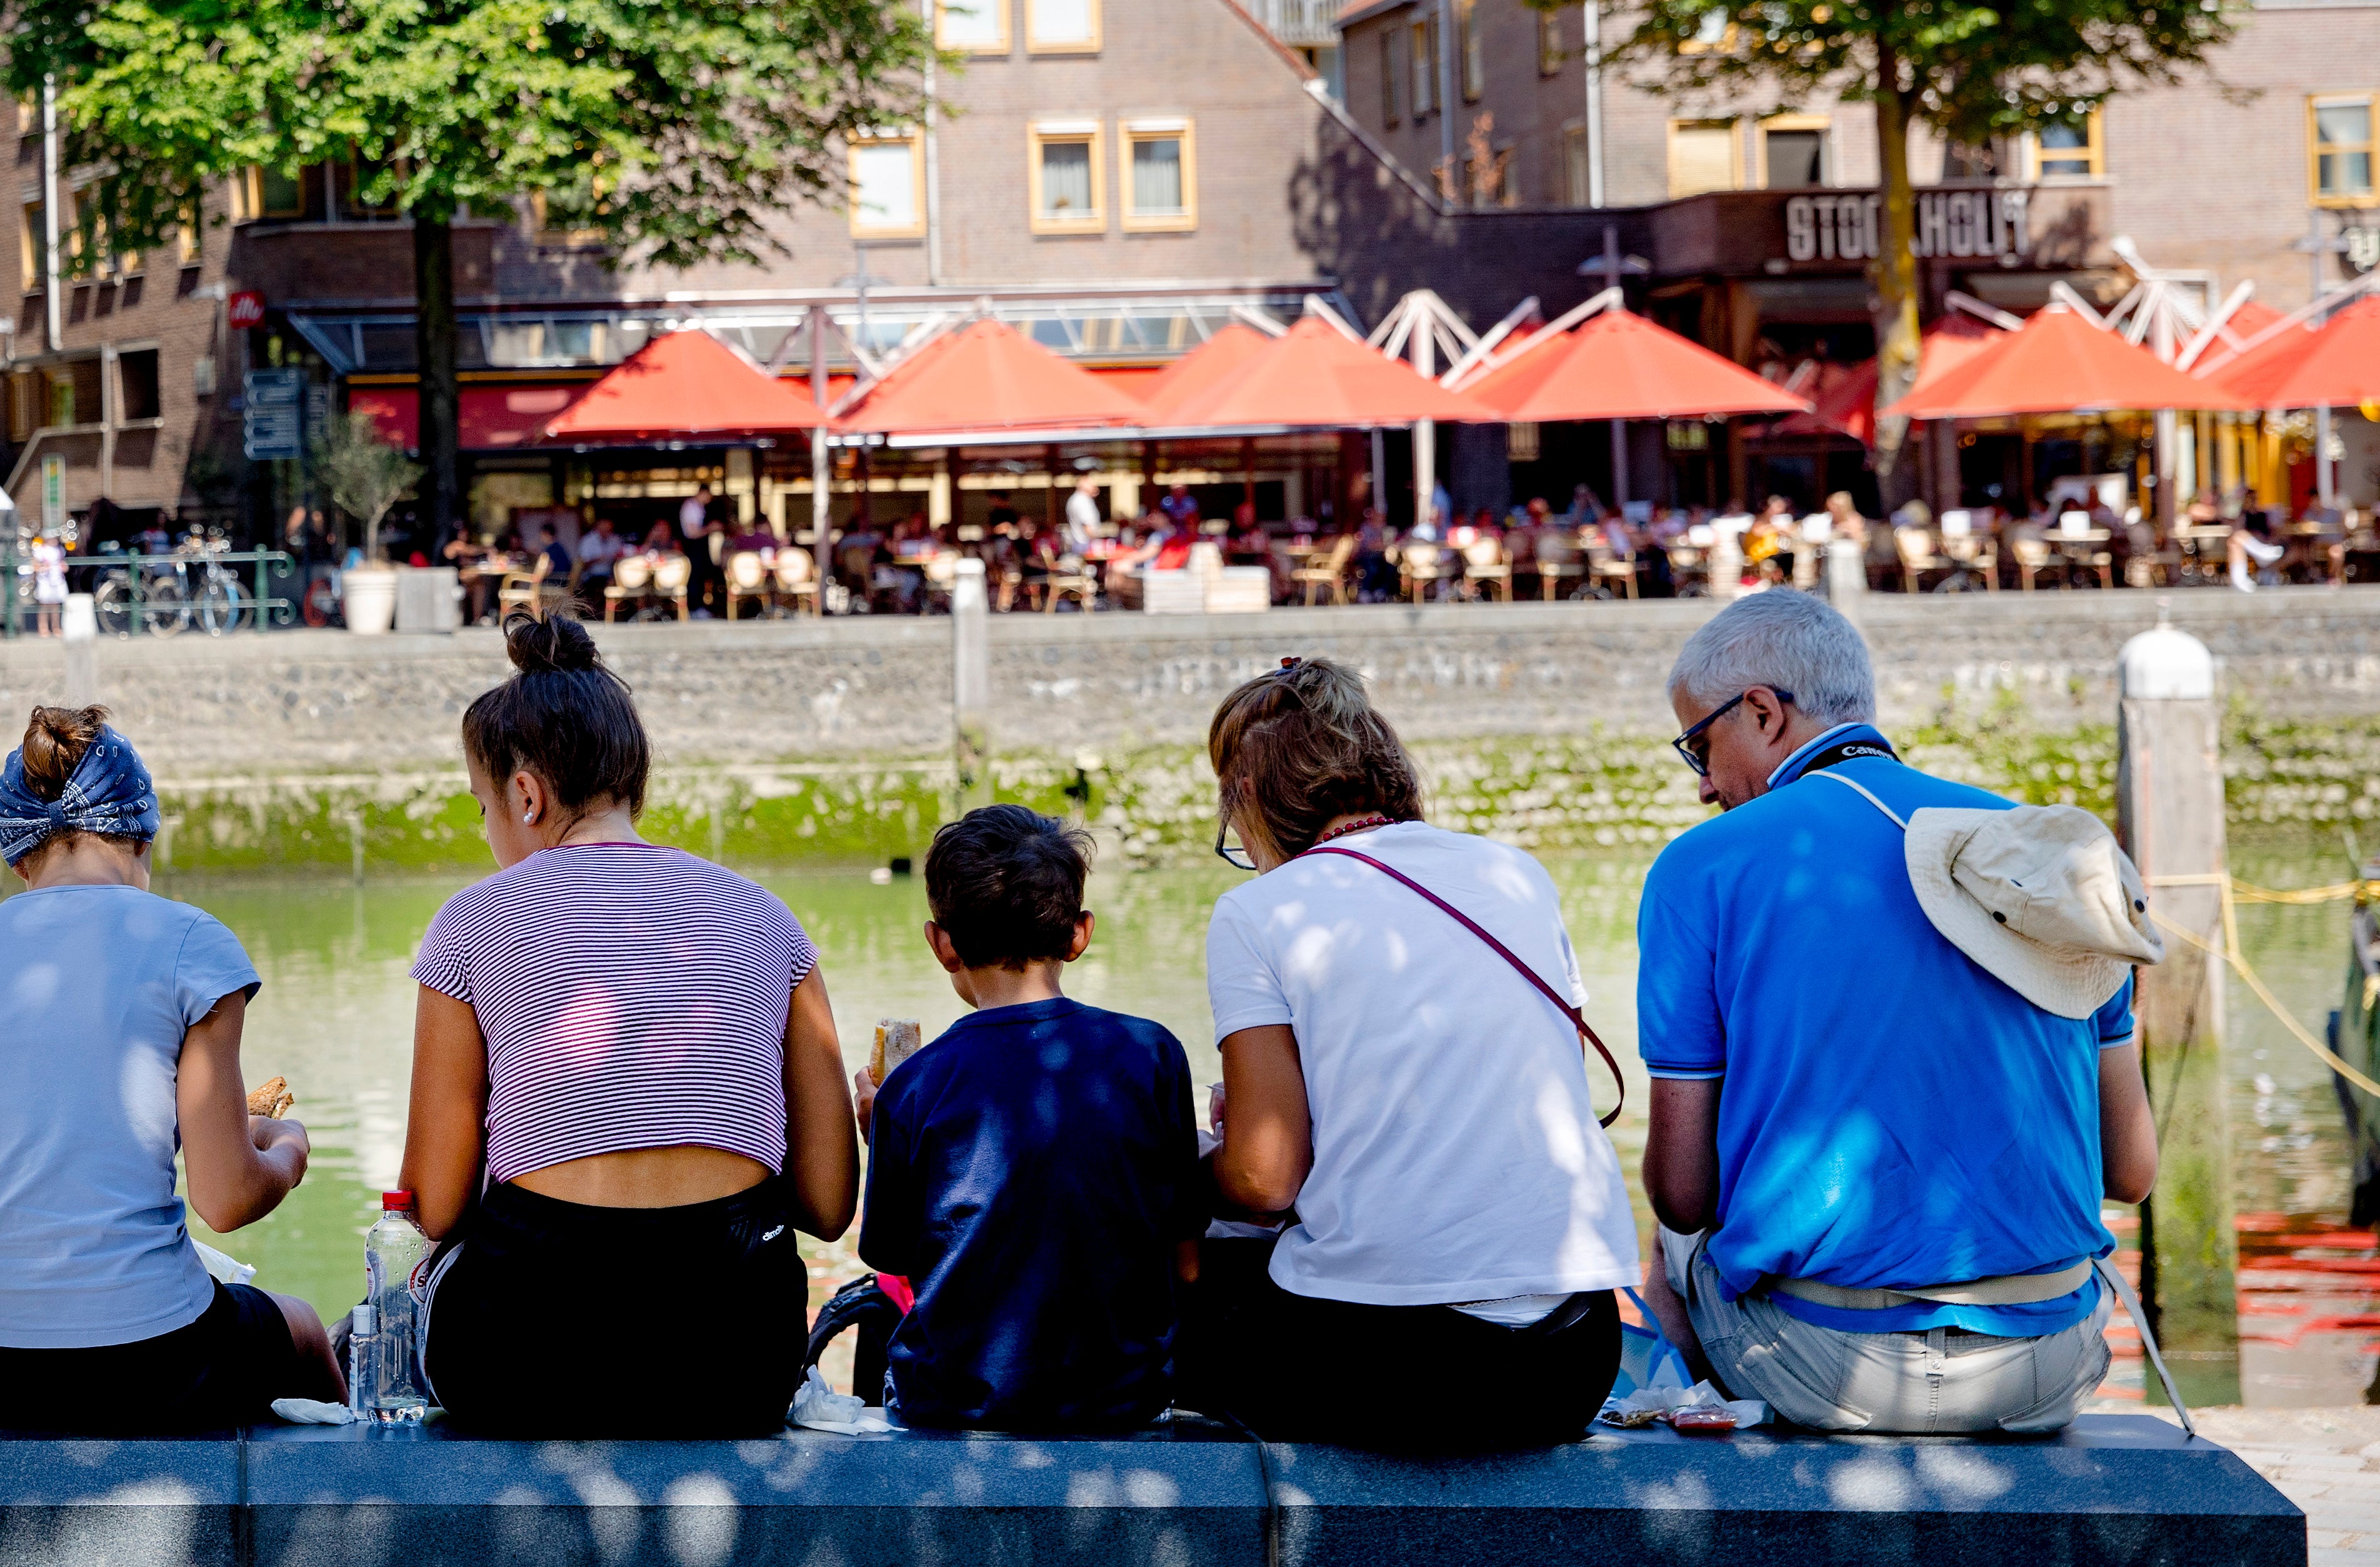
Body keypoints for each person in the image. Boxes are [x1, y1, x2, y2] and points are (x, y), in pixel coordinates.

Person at [1639, 590, 2156, 1434]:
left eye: (1701, 744)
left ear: (1764, 713)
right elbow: (2131, 1173)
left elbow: (1684, 1196)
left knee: (1668, 1238)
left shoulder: (1700, 867)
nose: (1703, 783)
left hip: (1831, 1368)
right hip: (2051, 1364)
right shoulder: (2043, 851)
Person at [403, 615, 856, 1436]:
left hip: (522, 1364)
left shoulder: (468, 925)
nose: (489, 830)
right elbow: (828, 1204)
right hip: (737, 1369)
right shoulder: (770, 923)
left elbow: (433, 1207)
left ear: (526, 794)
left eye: (483, 808)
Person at [1178, 658, 1637, 1453]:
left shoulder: (1257, 912)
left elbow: (1262, 1178)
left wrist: (1193, 1165)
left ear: (1248, 802)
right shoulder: (1514, 872)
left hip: (1400, 1373)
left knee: (1182, 1268)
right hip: (1572, 1359)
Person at [0, 705, 338, 1431]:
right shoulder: (191, 944)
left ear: (18, 856)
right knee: (305, 1329)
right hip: (155, 1358)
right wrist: (288, 1149)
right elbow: (225, 1200)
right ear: (142, 834)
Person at [852, 806, 1202, 1434]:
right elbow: (1184, 1254)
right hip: (1126, 1398)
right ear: (1078, 934)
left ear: (943, 944)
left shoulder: (915, 1084)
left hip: (956, 1403)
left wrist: (885, 1135)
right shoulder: (1153, 1053)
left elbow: (894, 1256)